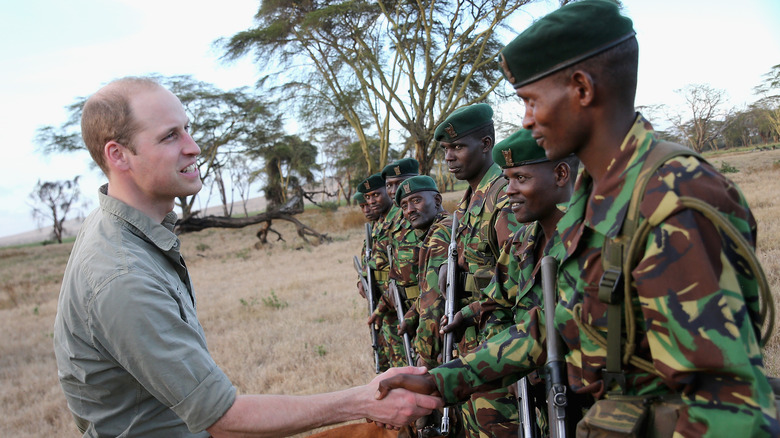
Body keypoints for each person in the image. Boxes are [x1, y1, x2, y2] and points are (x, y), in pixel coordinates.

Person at [377, 1, 780, 436]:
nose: (527, 121)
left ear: (582, 89)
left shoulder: (672, 196)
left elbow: (725, 406)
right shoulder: (599, 194)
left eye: (531, 101)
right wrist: (441, 379)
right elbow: (559, 322)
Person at [52, 76, 442, 438]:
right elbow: (223, 419)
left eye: (187, 129)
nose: (193, 146)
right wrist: (362, 399)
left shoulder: (122, 231)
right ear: (118, 156)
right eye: (170, 136)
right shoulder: (123, 275)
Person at [435, 103, 522, 437]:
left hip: (501, 342)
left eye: (458, 147)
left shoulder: (503, 194)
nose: (449, 157)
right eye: (445, 149)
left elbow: (516, 277)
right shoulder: (469, 200)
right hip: (473, 339)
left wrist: (470, 310)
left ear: (486, 145)